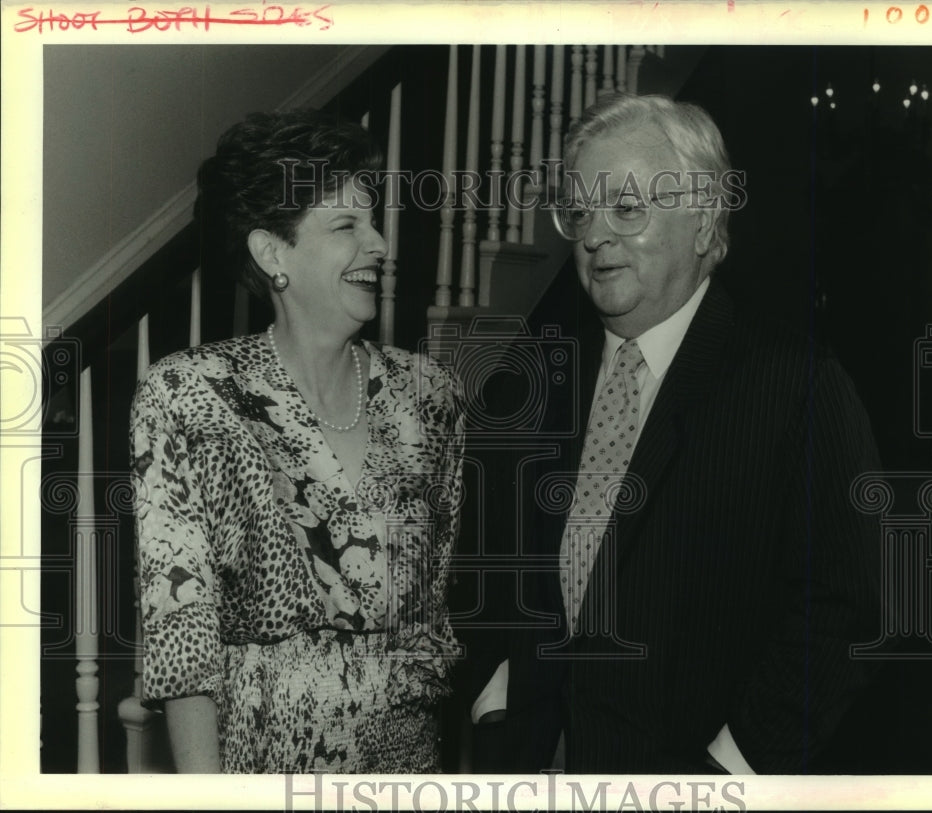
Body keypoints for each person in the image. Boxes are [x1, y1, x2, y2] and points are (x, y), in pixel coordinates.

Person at [468, 92, 883, 774]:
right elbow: (489, 566)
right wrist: (498, 703)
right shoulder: (534, 380)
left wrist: (732, 766)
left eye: (627, 207)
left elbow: (847, 607)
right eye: (579, 211)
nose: (595, 234)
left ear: (702, 221)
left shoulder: (795, 385)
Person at [130, 110, 464, 773]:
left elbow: (428, 617)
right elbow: (181, 634)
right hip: (258, 765)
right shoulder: (187, 397)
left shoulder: (430, 397)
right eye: (346, 226)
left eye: (373, 223)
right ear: (271, 253)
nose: (379, 245)